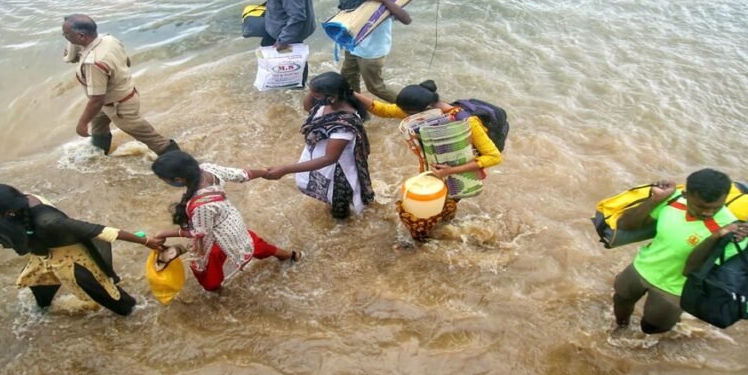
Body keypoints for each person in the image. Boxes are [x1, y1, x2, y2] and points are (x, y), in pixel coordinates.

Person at [0, 184, 162, 316]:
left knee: (109, 297)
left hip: (72, 259)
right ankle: (42, 313)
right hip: (43, 257)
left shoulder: (49, 221)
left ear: (8, 212)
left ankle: (135, 313)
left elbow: (101, 231)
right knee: (39, 287)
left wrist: (146, 241)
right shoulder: (17, 206)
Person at [612, 169, 748, 334]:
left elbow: (690, 271)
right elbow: (626, 225)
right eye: (700, 207)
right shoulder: (673, 200)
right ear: (686, 195)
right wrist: (655, 199)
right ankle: (621, 329)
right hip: (642, 266)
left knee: (651, 328)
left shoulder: (733, 232)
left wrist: (716, 237)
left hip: (675, 289)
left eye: (716, 207)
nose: (708, 212)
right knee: (621, 301)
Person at [150, 151, 300, 292]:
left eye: (163, 179)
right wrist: (265, 172)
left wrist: (166, 233)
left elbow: (200, 232)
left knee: (208, 277)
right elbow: (242, 175)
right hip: (232, 221)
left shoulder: (202, 204)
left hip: (218, 237)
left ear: (178, 180)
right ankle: (290, 255)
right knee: (253, 243)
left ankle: (217, 292)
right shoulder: (207, 168)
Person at [61, 14, 180, 156]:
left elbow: (96, 100)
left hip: (120, 107)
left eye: (66, 34)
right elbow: (126, 61)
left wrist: (81, 124)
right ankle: (99, 155)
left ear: (81, 36)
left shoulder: (93, 63)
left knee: (154, 140)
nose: (64, 36)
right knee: (99, 128)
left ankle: (182, 166)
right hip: (117, 96)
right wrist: (81, 56)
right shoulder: (109, 40)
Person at [265, 72, 374, 219]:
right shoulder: (328, 103)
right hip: (321, 158)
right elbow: (307, 107)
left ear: (332, 97)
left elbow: (330, 158)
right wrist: (313, 90)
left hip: (339, 170)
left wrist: (286, 169)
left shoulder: (344, 126)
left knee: (340, 209)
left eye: (316, 95)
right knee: (330, 198)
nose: (311, 96)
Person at [353, 80, 503, 180]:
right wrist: (350, 92)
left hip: (460, 166)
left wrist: (450, 171)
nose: (409, 118)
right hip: (441, 164)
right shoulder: (422, 112)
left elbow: (494, 157)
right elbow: (384, 110)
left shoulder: (467, 122)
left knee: (446, 201)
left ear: (428, 109)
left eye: (410, 115)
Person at [337, 0, 412, 103]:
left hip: (372, 51)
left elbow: (406, 19)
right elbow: (344, 8)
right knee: (348, 78)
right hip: (353, 45)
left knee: (375, 87)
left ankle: (410, 107)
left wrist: (384, 0)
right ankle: (356, 109)